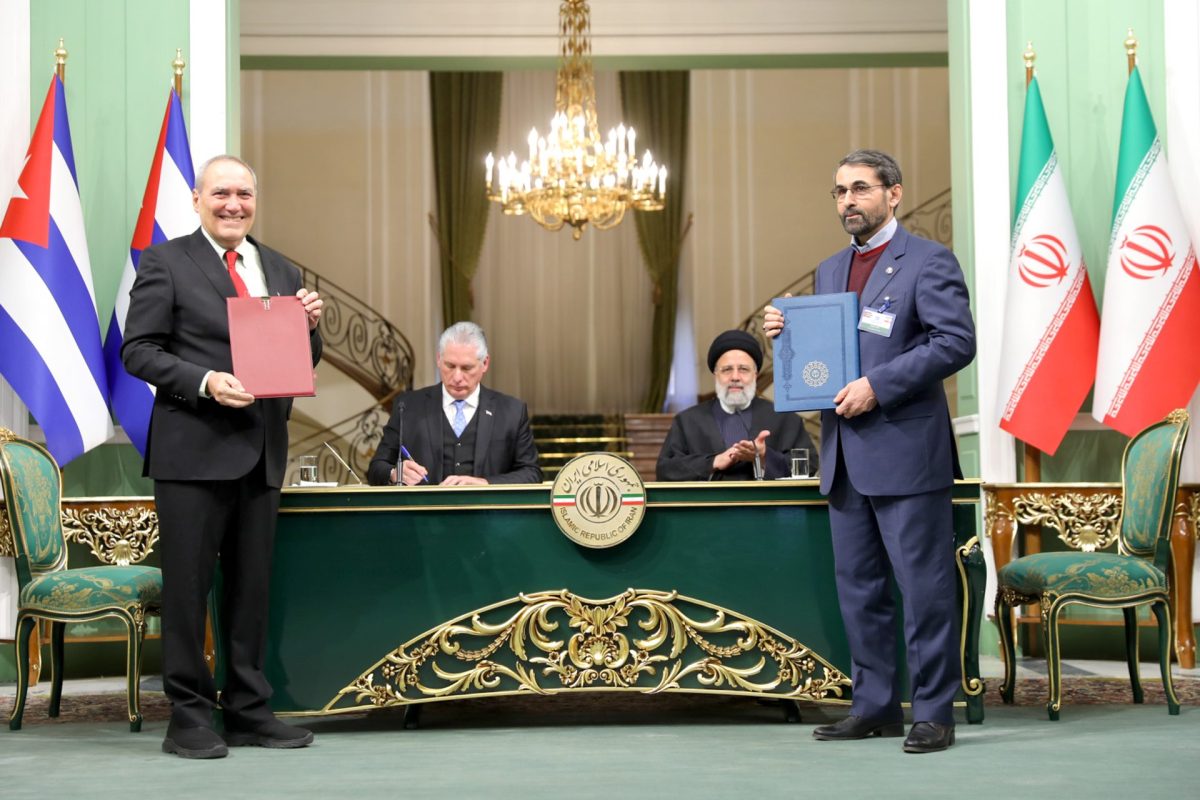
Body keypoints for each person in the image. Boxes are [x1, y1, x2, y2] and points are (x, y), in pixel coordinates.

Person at [764, 149, 975, 754]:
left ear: (894, 194)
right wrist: (787, 336)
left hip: (907, 454)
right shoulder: (829, 270)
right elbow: (828, 356)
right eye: (838, 192)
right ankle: (875, 704)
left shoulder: (928, 261)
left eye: (859, 189)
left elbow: (956, 341)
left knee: (925, 589)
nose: (847, 201)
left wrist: (879, 386)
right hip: (844, 458)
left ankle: (934, 711)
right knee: (860, 590)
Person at [122, 155, 323, 759]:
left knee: (250, 589)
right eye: (221, 194)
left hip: (262, 453)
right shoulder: (166, 262)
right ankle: (187, 717)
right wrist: (206, 379)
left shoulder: (281, 268)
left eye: (243, 194)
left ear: (255, 199)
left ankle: (248, 710)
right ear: (197, 198)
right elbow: (139, 351)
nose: (233, 204)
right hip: (192, 453)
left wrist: (311, 326)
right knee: (186, 590)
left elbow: (301, 361)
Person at [368, 322, 542, 486]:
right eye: (450, 366)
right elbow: (376, 468)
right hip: (423, 516)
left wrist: (486, 484)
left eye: (466, 368)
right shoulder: (407, 407)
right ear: (438, 359)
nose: (457, 377)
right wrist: (394, 473)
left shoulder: (512, 412)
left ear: (485, 363)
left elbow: (532, 473)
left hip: (487, 515)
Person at [656, 329, 816, 481]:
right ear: (715, 375)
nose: (735, 377)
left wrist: (764, 456)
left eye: (743, 369)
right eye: (726, 369)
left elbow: (810, 466)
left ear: (755, 375)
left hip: (768, 508)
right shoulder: (687, 421)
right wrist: (713, 462)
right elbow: (665, 470)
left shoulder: (785, 418)